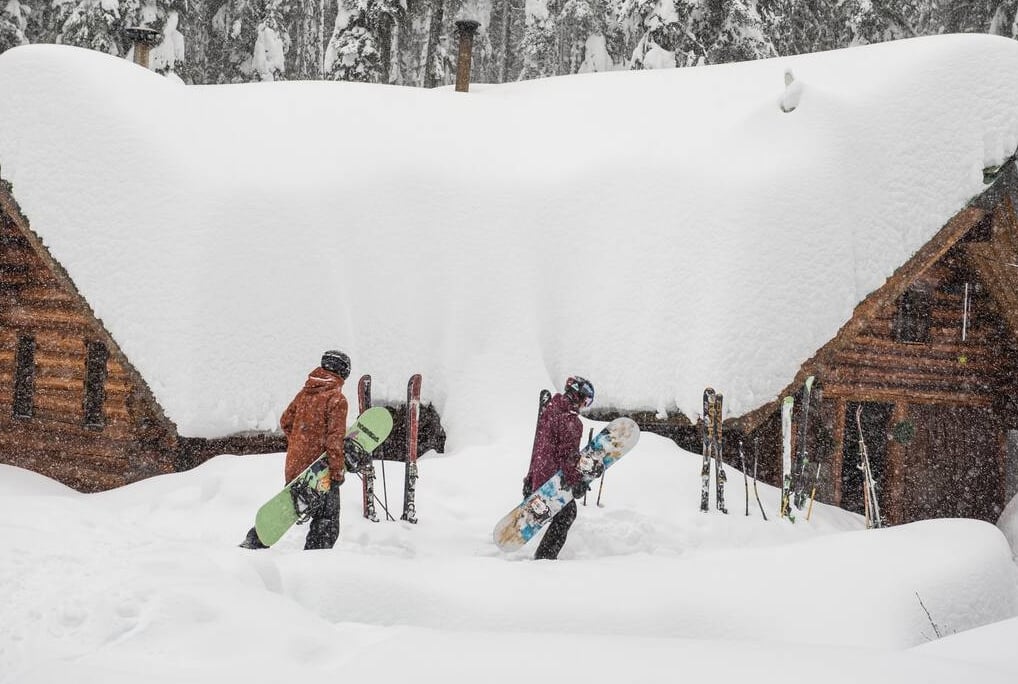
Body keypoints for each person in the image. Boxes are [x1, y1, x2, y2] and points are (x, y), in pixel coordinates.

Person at [240, 350, 351, 550]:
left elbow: (285, 421)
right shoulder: (336, 399)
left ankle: (255, 540)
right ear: (343, 373)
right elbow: (335, 440)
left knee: (288, 509)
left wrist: (301, 443)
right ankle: (315, 560)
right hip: (319, 470)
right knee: (327, 518)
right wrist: (336, 471)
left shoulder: (305, 393)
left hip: (295, 464)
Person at [523, 376, 596, 560]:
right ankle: (544, 559)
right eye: (586, 401)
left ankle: (544, 556)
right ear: (578, 396)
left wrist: (529, 479)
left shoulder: (549, 410)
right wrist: (577, 482)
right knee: (567, 513)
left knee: (563, 513)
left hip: (540, 475)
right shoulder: (571, 422)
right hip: (552, 479)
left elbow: (538, 446)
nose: (584, 406)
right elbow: (568, 458)